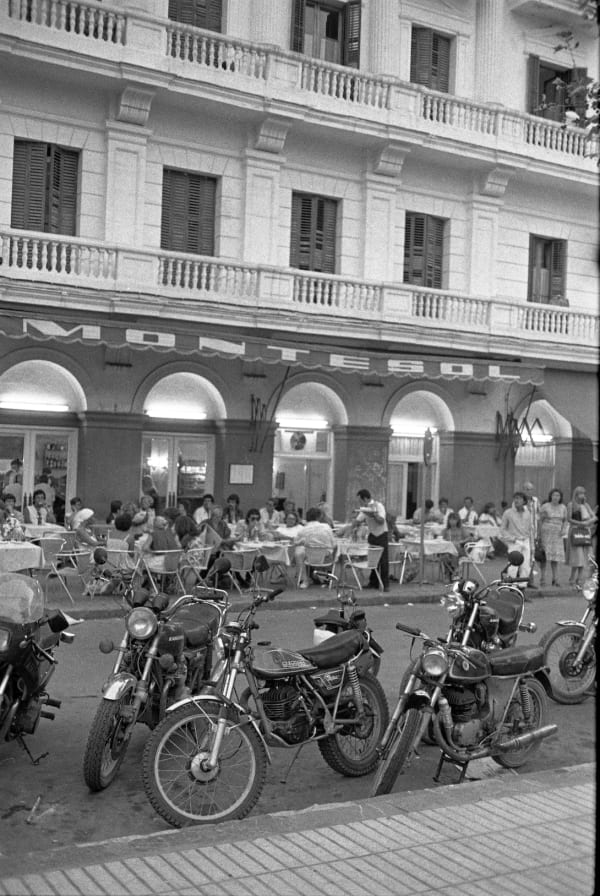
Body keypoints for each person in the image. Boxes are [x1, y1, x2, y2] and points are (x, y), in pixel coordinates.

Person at [292, 506, 337, 589]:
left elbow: (295, 542)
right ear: (319, 516)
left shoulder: (303, 529)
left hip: (310, 558)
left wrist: (303, 542)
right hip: (326, 558)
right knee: (334, 550)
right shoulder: (327, 527)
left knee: (298, 551)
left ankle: (304, 579)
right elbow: (333, 544)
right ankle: (327, 576)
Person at [354, 489, 389, 592]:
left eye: (360, 501)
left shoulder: (379, 506)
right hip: (372, 535)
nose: (360, 503)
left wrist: (373, 514)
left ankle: (385, 584)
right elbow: (358, 520)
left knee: (383, 560)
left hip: (381, 534)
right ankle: (373, 582)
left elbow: (381, 521)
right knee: (373, 559)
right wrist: (350, 528)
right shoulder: (365, 509)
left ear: (365, 499)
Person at [499, 492, 533, 591]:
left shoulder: (528, 513)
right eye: (515, 498)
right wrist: (511, 538)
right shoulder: (508, 513)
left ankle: (522, 589)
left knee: (526, 565)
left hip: (526, 540)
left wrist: (531, 541)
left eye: (519, 498)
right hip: (514, 541)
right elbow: (503, 529)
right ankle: (512, 589)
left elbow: (531, 528)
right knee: (513, 566)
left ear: (524, 501)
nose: (516, 500)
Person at [566, 486, 597, 590]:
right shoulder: (571, 505)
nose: (581, 495)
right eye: (579, 493)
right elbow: (569, 519)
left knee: (584, 557)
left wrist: (587, 523)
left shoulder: (586, 505)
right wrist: (580, 523)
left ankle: (579, 579)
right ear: (575, 494)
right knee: (577, 557)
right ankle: (572, 577)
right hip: (575, 531)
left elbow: (594, 517)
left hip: (585, 532)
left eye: (583, 493)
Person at [538, 489, 568, 587]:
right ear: (550, 496)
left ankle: (555, 579)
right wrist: (539, 535)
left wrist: (563, 529)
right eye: (554, 495)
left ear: (560, 497)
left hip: (557, 535)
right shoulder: (545, 506)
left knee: (555, 558)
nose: (556, 497)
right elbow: (540, 520)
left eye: (558, 495)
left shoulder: (563, 507)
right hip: (546, 533)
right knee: (544, 557)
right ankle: (542, 578)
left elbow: (565, 520)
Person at [523, 481, 541, 589]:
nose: (528, 491)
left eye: (530, 489)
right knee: (523, 557)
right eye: (526, 489)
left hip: (533, 533)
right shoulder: (519, 501)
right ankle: (521, 581)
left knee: (532, 557)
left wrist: (538, 533)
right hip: (522, 533)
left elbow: (539, 516)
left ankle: (530, 580)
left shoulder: (535, 501)